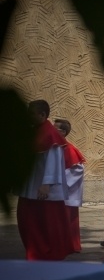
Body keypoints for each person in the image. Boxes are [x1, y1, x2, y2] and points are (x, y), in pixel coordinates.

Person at [17, 100, 73, 260]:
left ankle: (45, 255)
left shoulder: (50, 134)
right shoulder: (35, 130)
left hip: (42, 189)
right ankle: (34, 253)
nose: (29, 117)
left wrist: (46, 184)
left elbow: (53, 161)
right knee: (28, 222)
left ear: (42, 115)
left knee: (43, 224)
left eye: (32, 114)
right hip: (31, 185)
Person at [54, 118, 85, 253]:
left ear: (63, 132)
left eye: (55, 128)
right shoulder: (55, 147)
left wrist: (59, 184)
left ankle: (71, 245)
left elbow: (77, 170)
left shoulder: (69, 149)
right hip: (57, 191)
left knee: (68, 220)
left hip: (66, 192)